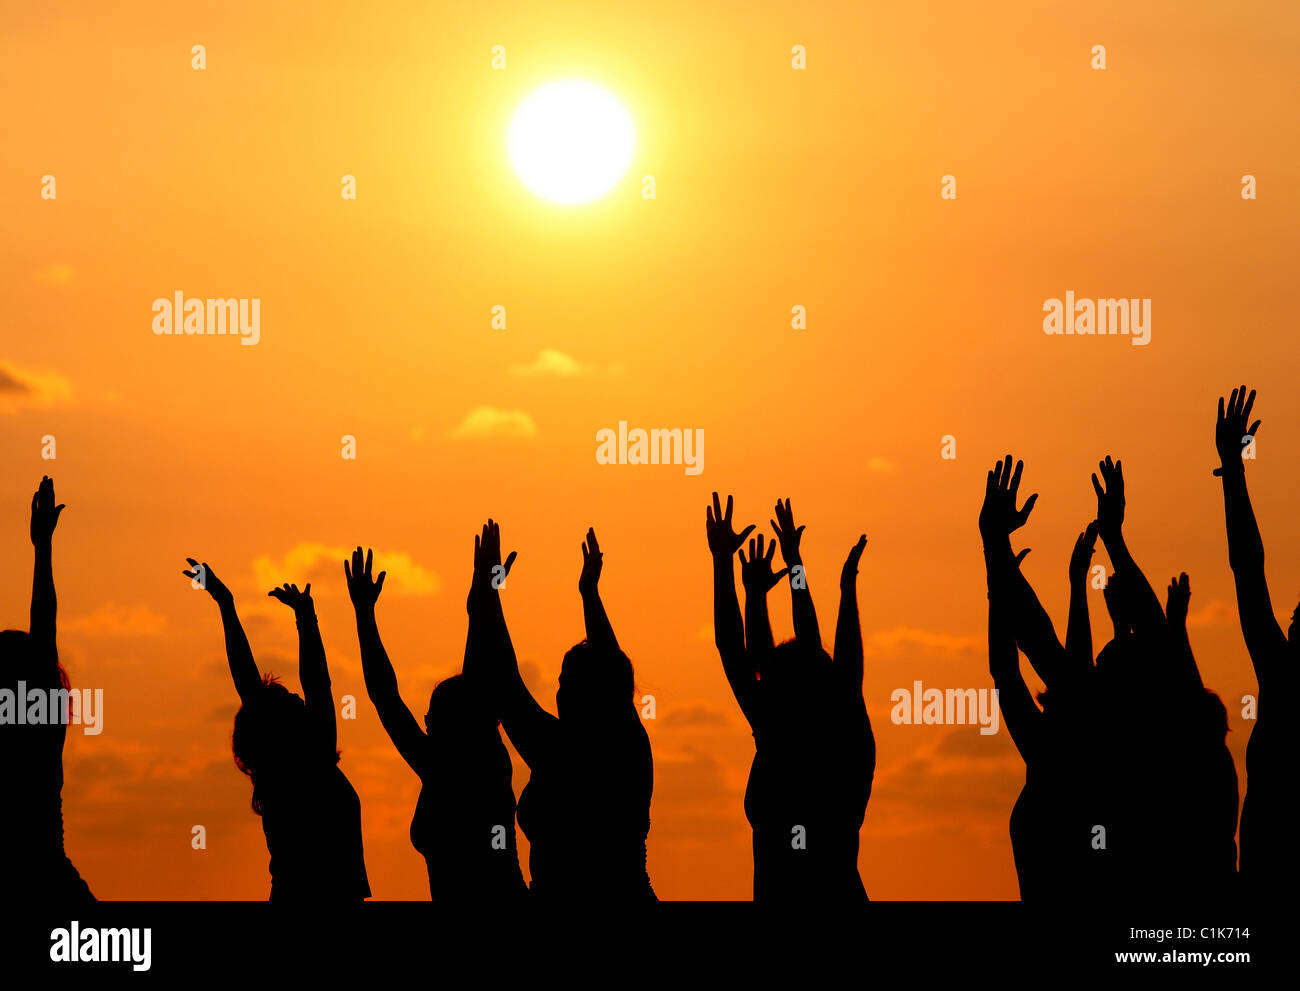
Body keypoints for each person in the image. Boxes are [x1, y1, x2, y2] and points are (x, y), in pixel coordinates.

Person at [470, 521, 656, 900]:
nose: (559, 695)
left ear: (593, 694)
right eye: (559, 684)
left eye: (567, 685)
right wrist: (588, 594)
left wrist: (489, 601)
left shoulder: (578, 749)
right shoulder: (617, 742)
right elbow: (610, 671)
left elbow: (508, 683)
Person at [707, 493, 873, 900]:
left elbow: (737, 651)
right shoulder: (834, 731)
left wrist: (731, 571)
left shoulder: (786, 734)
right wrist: (795, 571)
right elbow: (751, 653)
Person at [344, 546, 526, 900]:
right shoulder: (453, 760)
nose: (424, 722)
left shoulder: (462, 765)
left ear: (455, 723)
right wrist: (481, 602)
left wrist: (365, 616)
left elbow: (387, 698)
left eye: (432, 716)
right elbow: (388, 698)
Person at [182, 559, 369, 900]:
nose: (300, 697)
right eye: (291, 700)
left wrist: (228, 604)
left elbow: (306, 687)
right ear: (280, 728)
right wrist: (304, 619)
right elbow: (315, 685)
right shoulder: (310, 763)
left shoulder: (290, 771)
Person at [1214, 385, 1296, 898]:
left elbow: (1248, 571)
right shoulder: (1281, 675)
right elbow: (1248, 572)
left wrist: (1234, 472)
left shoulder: (1284, 680)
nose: (1290, 620)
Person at [0, 476, 94, 903]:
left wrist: (43, 550)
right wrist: (42, 548)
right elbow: (44, 629)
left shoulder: (36, 725)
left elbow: (43, 626)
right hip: (49, 880)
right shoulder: (40, 726)